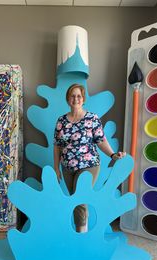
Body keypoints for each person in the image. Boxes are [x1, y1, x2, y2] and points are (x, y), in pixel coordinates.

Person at [53, 84, 126, 233]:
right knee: (76, 200)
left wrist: (113, 155)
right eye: (72, 96)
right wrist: (56, 168)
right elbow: (57, 146)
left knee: (80, 198)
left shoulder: (92, 118)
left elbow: (101, 140)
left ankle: (82, 236)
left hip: (89, 164)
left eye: (79, 96)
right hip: (67, 167)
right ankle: (81, 232)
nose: (76, 99)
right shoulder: (61, 121)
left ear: (83, 99)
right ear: (68, 99)